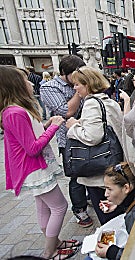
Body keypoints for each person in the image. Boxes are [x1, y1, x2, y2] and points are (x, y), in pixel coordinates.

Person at [0, 65, 80, 259]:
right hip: (34, 168)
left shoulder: (18, 110)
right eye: (25, 79)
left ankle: (55, 242)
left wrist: (45, 125)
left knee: (44, 207)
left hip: (36, 167)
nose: (30, 82)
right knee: (59, 207)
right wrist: (53, 127)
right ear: (16, 85)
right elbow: (33, 148)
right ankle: (49, 251)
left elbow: (28, 137)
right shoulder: (15, 113)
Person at [66, 66, 124, 225]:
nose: (74, 87)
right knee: (118, 212)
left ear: (88, 84)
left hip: (98, 172)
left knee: (107, 216)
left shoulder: (91, 103)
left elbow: (93, 136)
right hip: (114, 165)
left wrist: (73, 126)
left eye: (77, 84)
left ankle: (113, 245)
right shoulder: (109, 101)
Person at [40, 55, 93, 228]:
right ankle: (79, 209)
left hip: (87, 134)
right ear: (64, 72)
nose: (78, 79)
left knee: (92, 169)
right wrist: (80, 91)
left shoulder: (78, 83)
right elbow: (66, 111)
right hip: (68, 140)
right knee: (76, 176)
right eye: (75, 76)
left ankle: (90, 197)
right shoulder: (49, 87)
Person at [93, 160, 135, 259]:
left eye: (109, 189)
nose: (105, 194)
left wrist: (111, 252)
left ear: (126, 188)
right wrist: (118, 205)